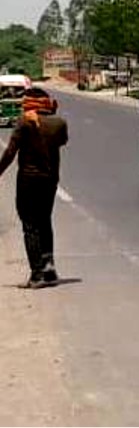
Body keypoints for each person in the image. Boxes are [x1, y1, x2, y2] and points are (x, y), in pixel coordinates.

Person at [0, 88, 69, 288]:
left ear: (29, 102)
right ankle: (49, 270)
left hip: (28, 181)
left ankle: (37, 274)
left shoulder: (25, 122)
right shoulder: (59, 123)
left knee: (30, 225)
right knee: (45, 221)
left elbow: (10, 152)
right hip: (50, 180)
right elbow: (62, 141)